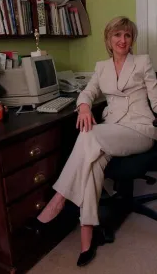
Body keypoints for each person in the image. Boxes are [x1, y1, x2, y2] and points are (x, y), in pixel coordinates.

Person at [35, 16, 157, 267]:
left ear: (132, 40)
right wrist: (83, 108)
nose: (122, 40)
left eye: (127, 35)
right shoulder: (101, 67)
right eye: (117, 35)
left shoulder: (143, 62)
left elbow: (156, 97)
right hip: (112, 130)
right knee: (92, 163)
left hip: (140, 129)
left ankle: (59, 199)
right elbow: (88, 92)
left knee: (88, 135)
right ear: (108, 40)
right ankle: (87, 238)